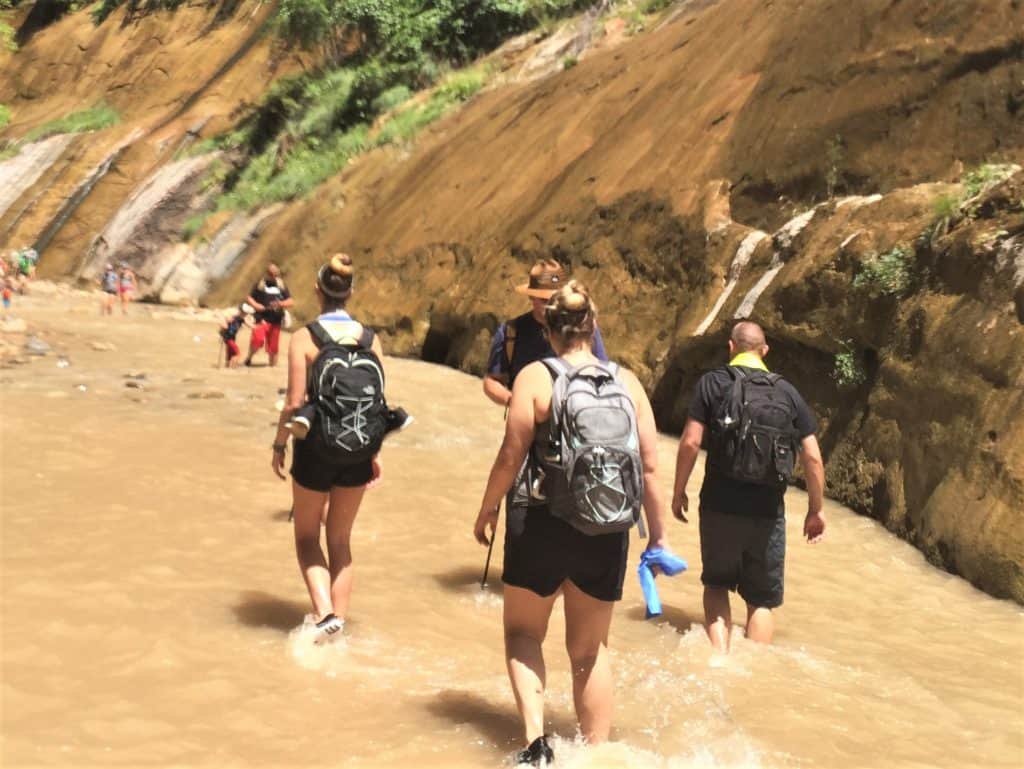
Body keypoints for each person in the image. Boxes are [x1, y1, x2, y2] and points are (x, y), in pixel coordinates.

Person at [473, 281, 669, 766]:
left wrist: (488, 508)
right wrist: (659, 538)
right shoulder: (629, 383)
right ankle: (597, 756)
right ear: (593, 327)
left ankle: (537, 744)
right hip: (606, 529)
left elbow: (511, 451)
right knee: (590, 651)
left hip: (539, 524)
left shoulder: (536, 378)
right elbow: (648, 468)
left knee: (522, 634)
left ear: (549, 328)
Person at [670, 320, 825, 652]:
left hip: (719, 504)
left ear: (731, 347)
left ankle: (719, 659)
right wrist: (816, 509)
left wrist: (678, 490)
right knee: (760, 601)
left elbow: (690, 443)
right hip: (768, 512)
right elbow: (812, 457)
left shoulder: (712, 383)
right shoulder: (787, 392)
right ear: (764, 351)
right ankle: (754, 665)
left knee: (716, 586)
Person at [271, 253, 391, 643]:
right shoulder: (372, 340)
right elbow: (375, 404)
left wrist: (279, 444)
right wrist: (373, 454)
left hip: (316, 449)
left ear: (317, 290)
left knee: (307, 538)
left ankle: (324, 614)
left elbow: (293, 402)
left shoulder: (306, 338)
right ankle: (338, 629)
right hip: (358, 449)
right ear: (351, 292)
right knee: (340, 539)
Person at [483, 259, 608, 409]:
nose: (551, 306)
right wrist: (516, 401)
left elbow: (603, 374)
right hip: (529, 423)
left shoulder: (583, 330)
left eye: (555, 300)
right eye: (544, 300)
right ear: (531, 297)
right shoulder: (510, 332)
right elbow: (492, 381)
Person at [245, 263, 293, 367]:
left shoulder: (282, 286)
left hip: (276, 320)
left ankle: (272, 366)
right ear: (267, 273)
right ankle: (249, 358)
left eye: (276, 274)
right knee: (257, 340)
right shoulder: (260, 284)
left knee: (273, 348)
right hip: (261, 318)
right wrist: (256, 305)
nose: (273, 276)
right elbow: (249, 297)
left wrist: (280, 304)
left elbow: (290, 301)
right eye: (271, 274)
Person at [219, 304, 254, 368]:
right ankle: (232, 368)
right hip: (228, 338)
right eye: (245, 313)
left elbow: (251, 326)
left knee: (230, 354)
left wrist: (259, 327)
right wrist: (224, 325)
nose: (246, 315)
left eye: (246, 314)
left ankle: (227, 367)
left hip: (232, 338)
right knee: (237, 353)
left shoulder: (241, 320)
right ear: (241, 312)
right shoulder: (232, 318)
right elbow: (223, 324)